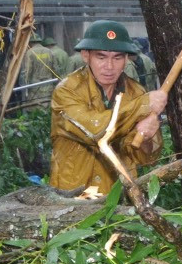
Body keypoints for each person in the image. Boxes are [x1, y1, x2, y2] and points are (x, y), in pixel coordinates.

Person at [48, 20, 167, 193]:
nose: (109, 67)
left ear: (126, 59)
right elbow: (94, 131)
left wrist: (147, 137)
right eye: (101, 57)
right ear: (86, 56)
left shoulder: (135, 92)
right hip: (74, 194)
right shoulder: (67, 90)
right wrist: (143, 105)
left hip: (119, 193)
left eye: (117, 58)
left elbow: (146, 159)